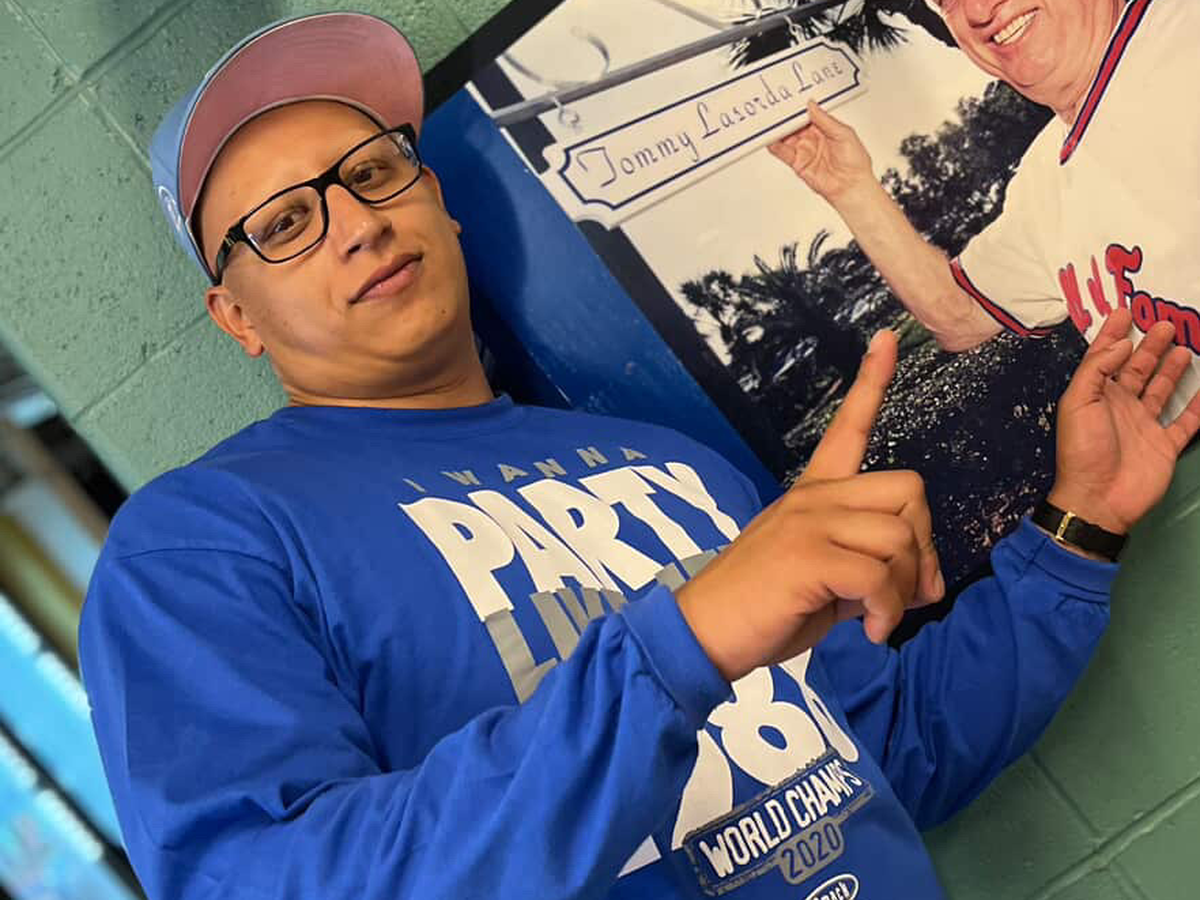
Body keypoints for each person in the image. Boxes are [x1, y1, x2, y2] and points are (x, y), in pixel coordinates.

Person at [79, 11, 1200, 900]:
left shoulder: (672, 465)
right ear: (237, 316)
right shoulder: (204, 542)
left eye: (375, 170)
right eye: (286, 224)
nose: (358, 221)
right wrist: (687, 641)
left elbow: (891, 756)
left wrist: (1078, 530)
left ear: (440, 206)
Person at [769, 0, 1200, 420]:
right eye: (946, 1)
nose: (977, 11)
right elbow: (960, 316)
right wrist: (850, 188)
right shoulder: (1043, 177)